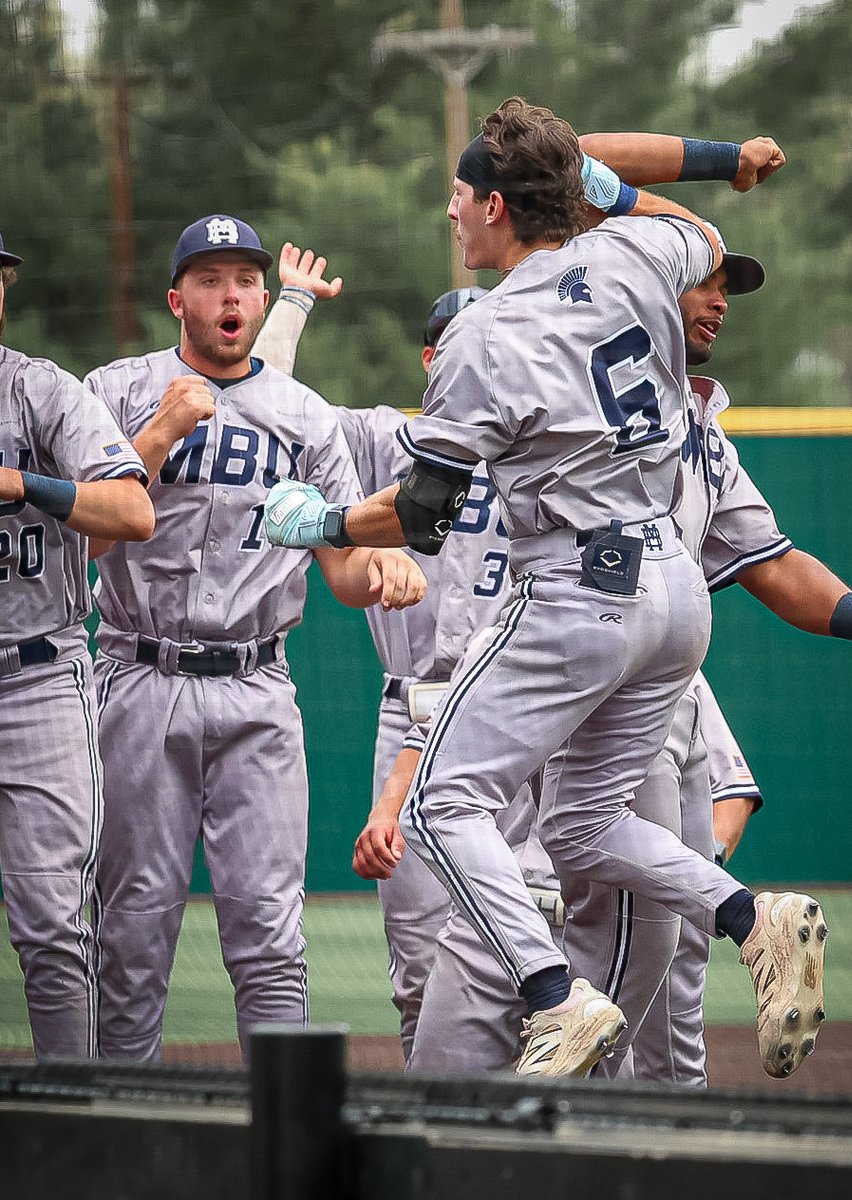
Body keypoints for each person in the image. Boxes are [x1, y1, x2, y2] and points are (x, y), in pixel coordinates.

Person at [262, 98, 823, 1079]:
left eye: (457, 196)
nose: (449, 214)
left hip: (579, 586)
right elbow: (689, 226)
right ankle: (750, 917)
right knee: (585, 825)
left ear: (492, 208)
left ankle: (555, 997)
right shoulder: (633, 262)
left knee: (439, 804)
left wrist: (325, 523)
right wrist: (717, 162)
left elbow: (428, 512)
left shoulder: (485, 334)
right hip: (673, 592)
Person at [85, 214, 426, 1062]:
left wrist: (384, 567)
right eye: (210, 279)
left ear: (263, 297)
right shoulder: (117, 389)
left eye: (244, 279)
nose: (229, 293)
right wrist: (159, 432)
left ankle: (283, 1145)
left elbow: (345, 572)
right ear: (178, 300)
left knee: (271, 935)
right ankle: (122, 1138)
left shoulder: (304, 416)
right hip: (138, 673)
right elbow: (76, 541)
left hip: (256, 686)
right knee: (133, 929)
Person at [253, 264, 501, 1061]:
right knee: (418, 965)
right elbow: (269, 405)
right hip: (413, 702)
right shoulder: (381, 439)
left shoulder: (546, 450)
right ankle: (437, 1128)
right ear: (433, 363)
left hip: (521, 706)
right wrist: (290, 304)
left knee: (540, 944)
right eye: (463, 346)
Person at [0, 231, 154, 1058]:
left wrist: (26, 483)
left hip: (34, 678)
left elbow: (133, 513)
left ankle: (77, 1125)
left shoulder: (38, 393)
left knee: (53, 925)